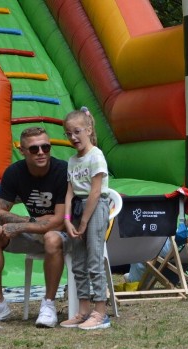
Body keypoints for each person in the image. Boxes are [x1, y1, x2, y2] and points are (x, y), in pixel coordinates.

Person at [0, 127, 68, 327]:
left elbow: (58, 221)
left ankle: (48, 304)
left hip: (65, 236)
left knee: (51, 236)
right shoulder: (14, 172)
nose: (41, 152)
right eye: (34, 149)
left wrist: (23, 225)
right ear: (22, 151)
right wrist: (32, 222)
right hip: (35, 232)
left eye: (45, 147)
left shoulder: (62, 171)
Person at [58, 107, 113, 330]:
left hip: (95, 208)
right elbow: (70, 193)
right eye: (68, 133)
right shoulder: (72, 161)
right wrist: (68, 219)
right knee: (78, 263)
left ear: (88, 130)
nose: (72, 137)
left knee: (94, 261)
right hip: (78, 210)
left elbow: (95, 192)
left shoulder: (96, 156)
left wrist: (83, 222)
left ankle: (100, 312)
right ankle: (83, 311)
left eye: (77, 132)